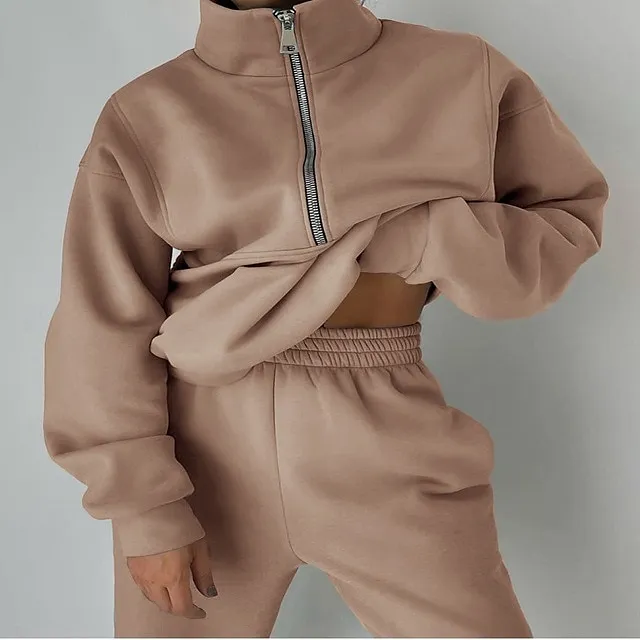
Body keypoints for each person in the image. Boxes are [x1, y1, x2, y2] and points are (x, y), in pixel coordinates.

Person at [42, 0, 609, 637]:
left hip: (387, 423)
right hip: (202, 444)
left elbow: (566, 223)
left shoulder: (461, 72)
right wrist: (144, 508)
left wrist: (419, 234)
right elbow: (101, 318)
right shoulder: (149, 109)